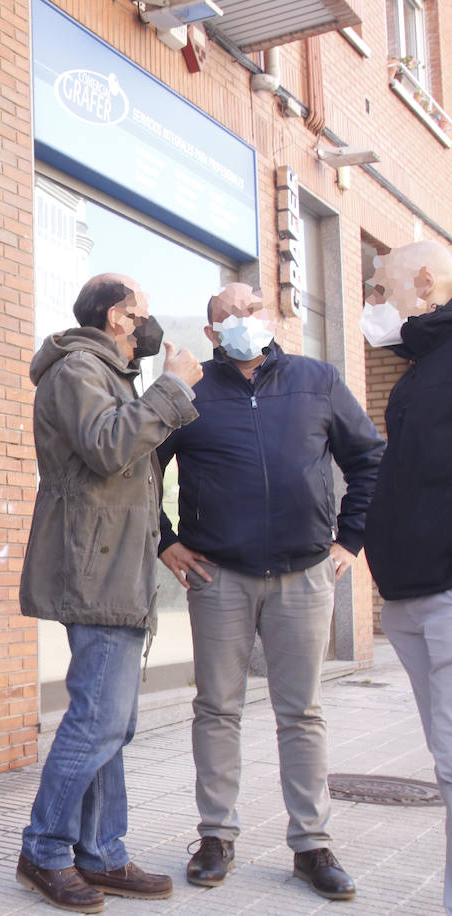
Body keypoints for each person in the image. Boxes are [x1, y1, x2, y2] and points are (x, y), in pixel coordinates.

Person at [156, 283, 383, 901]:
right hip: (218, 576)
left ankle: (312, 845)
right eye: (226, 315)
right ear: (210, 333)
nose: (241, 320)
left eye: (250, 309)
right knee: (216, 707)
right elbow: (141, 467)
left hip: (305, 574)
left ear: (269, 314)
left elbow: (368, 459)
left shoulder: (318, 379)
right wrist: (164, 539)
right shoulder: (190, 388)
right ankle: (215, 835)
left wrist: (349, 543)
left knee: (302, 711)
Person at [17, 274, 201, 912]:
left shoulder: (107, 374)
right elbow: (106, 445)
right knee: (96, 721)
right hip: (94, 569)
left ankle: (101, 851)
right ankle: (43, 849)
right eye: (142, 314)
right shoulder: (76, 371)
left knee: (110, 723)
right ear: (119, 317)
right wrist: (173, 387)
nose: (150, 327)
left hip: (116, 568)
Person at [363, 239, 452, 916]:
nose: (372, 294)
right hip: (411, 594)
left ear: (425, 279)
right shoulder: (423, 360)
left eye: (379, 281)